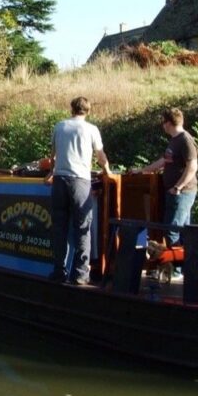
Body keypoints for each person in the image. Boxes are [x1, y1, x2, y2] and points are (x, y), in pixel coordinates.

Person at [45, 96, 111, 285]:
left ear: (71, 109)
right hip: (80, 182)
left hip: (59, 181)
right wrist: (107, 172)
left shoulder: (59, 127)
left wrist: (51, 173)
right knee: (82, 228)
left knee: (60, 228)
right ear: (88, 111)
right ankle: (81, 275)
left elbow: (53, 156)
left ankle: (59, 271)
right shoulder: (91, 130)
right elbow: (100, 156)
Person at [132, 108, 198, 246]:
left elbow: (192, 167)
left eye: (163, 122)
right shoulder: (174, 140)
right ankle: (183, 266)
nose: (163, 126)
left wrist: (178, 187)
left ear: (168, 123)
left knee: (172, 231)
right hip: (173, 191)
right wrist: (141, 171)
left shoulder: (185, 140)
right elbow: (163, 161)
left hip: (182, 192)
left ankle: (176, 268)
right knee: (181, 231)